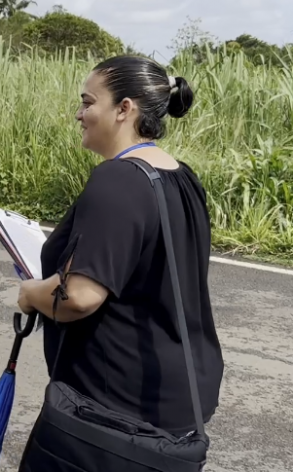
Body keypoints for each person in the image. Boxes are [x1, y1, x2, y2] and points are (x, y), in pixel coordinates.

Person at [16, 56, 224, 439]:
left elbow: (78, 296)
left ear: (124, 109)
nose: (79, 113)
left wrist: (30, 294)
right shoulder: (180, 176)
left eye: (88, 101)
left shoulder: (117, 179)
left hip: (116, 405)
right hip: (180, 391)